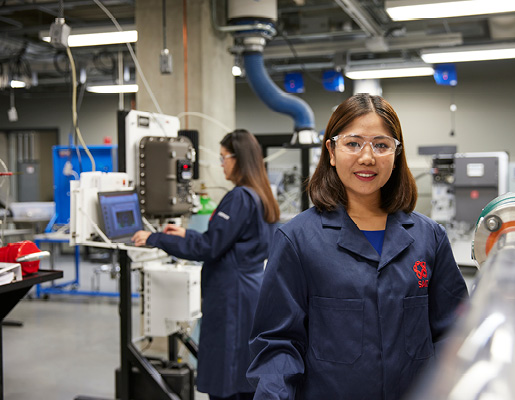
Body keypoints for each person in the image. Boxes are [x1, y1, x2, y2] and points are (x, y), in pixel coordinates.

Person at [246, 94, 468, 399]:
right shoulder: (297, 240)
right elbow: (278, 344)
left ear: (396, 153)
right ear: (332, 151)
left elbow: (452, 333)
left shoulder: (429, 238)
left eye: (381, 144)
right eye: (353, 143)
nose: (367, 157)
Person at [132, 129, 280, 400]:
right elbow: (227, 241)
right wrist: (185, 234)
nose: (221, 164)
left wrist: (154, 237)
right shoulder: (262, 195)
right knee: (242, 370)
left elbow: (208, 248)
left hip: (230, 297)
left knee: (227, 376)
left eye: (223, 158)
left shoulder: (239, 197)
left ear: (238, 159)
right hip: (248, 291)